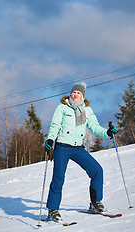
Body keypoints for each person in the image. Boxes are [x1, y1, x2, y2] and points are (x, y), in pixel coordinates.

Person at [44, 82, 117, 221]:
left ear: (83, 96)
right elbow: (55, 125)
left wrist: (107, 132)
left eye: (79, 93)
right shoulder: (62, 108)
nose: (75, 94)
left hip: (77, 148)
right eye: (74, 92)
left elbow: (94, 127)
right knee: (58, 177)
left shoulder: (87, 110)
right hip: (62, 147)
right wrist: (50, 140)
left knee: (97, 170)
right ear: (70, 93)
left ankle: (95, 203)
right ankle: (52, 210)